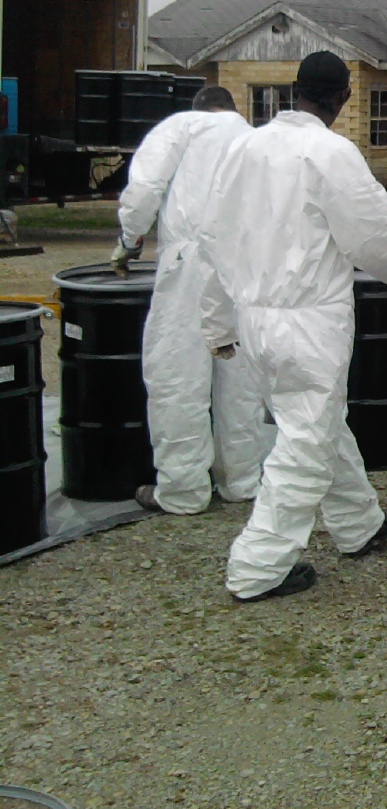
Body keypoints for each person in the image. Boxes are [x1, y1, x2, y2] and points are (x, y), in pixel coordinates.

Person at [198, 52, 387, 602]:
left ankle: (357, 522)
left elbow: (213, 239)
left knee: (314, 420)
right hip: (310, 320)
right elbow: (369, 231)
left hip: (253, 319)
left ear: (294, 90)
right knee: (306, 438)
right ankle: (257, 567)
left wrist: (217, 323)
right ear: (344, 99)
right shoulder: (330, 151)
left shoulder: (242, 148)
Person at [115, 85, 272, 515]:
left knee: (178, 375)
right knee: (239, 379)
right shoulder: (254, 139)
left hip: (189, 264)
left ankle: (183, 490)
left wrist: (129, 238)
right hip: (243, 267)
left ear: (199, 108)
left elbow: (144, 187)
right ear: (234, 109)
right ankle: (241, 480)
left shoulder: (181, 127)